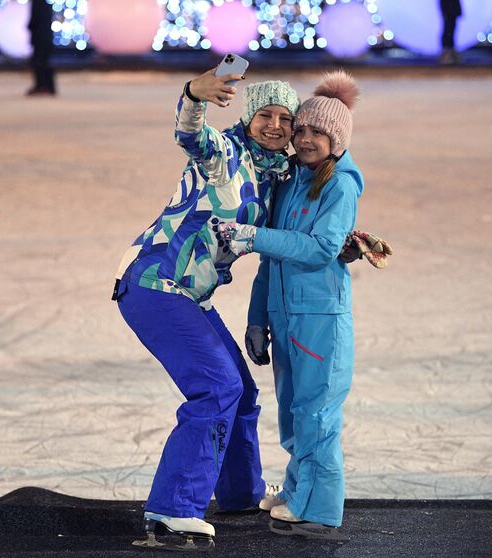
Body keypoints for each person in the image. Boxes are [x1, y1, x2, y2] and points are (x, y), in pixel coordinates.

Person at [113, 69, 300, 550]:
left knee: (242, 392)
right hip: (156, 284)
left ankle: (241, 492)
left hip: (192, 296)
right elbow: (190, 133)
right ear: (248, 117)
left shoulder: (275, 175)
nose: (274, 125)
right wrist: (193, 94)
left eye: (284, 118)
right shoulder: (225, 155)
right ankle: (173, 511)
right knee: (217, 386)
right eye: (265, 115)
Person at [220, 70, 363, 541]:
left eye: (316, 132)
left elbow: (322, 247)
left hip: (320, 316)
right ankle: (299, 489)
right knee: (293, 411)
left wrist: (255, 234)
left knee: (317, 413)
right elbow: (270, 259)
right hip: (285, 314)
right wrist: (257, 318)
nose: (303, 138)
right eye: (300, 129)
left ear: (336, 140)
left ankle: (318, 507)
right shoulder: (293, 181)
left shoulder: (339, 184)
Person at [26, 0, 56, 96]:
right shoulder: (45, 4)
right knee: (44, 62)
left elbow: (35, 21)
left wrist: (29, 26)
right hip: (46, 38)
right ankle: (48, 86)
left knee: (39, 63)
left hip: (40, 38)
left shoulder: (37, 3)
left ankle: (42, 86)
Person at [439, 0, 462, 65]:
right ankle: (446, 55)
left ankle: (451, 54)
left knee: (451, 31)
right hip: (448, 10)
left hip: (453, 10)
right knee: (448, 30)